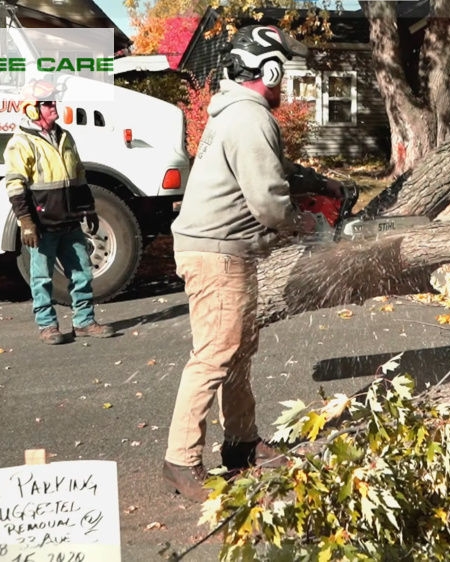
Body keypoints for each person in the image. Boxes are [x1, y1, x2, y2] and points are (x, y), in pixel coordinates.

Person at [161, 25, 341, 499]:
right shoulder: (250, 117)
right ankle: (180, 460)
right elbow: (267, 202)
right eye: (281, 73)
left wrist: (316, 184)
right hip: (218, 253)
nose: (284, 84)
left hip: (229, 251)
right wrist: (306, 224)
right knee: (215, 355)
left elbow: (270, 174)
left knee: (237, 351)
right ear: (269, 68)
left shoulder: (236, 114)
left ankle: (240, 442)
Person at [4, 79, 115, 345]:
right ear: (32, 109)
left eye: (54, 101)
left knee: (82, 272)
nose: (54, 107)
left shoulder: (65, 136)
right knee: (41, 278)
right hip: (42, 225)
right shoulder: (21, 142)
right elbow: (15, 184)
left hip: (69, 221)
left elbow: (79, 177)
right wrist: (26, 222)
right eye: (48, 103)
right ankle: (47, 327)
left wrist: (88, 208)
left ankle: (84, 322)